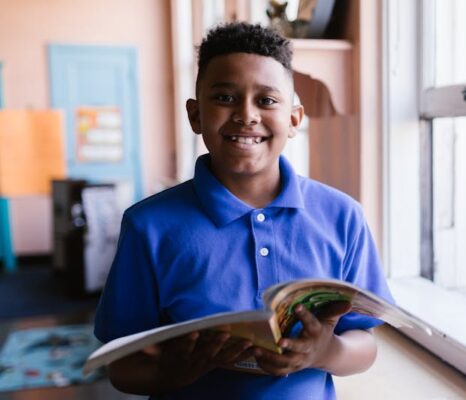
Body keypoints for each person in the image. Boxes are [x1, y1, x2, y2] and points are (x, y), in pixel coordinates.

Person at [94, 22, 394, 399]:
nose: (246, 115)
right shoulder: (148, 226)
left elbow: (363, 342)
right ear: (195, 115)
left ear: (294, 119)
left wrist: (326, 352)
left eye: (267, 101)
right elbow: (122, 367)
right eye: (224, 97)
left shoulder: (343, 217)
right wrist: (170, 373)